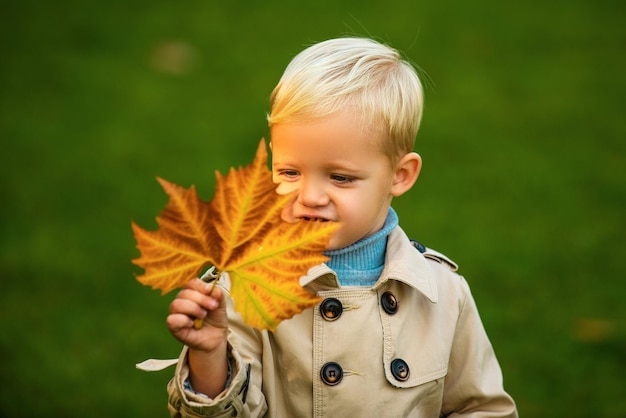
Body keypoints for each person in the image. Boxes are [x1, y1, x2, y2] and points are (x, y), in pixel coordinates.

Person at [164, 37, 518, 417]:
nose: (310, 195)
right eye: (289, 171)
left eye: (340, 177)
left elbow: (480, 408)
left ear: (400, 175)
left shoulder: (441, 294)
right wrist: (210, 358)